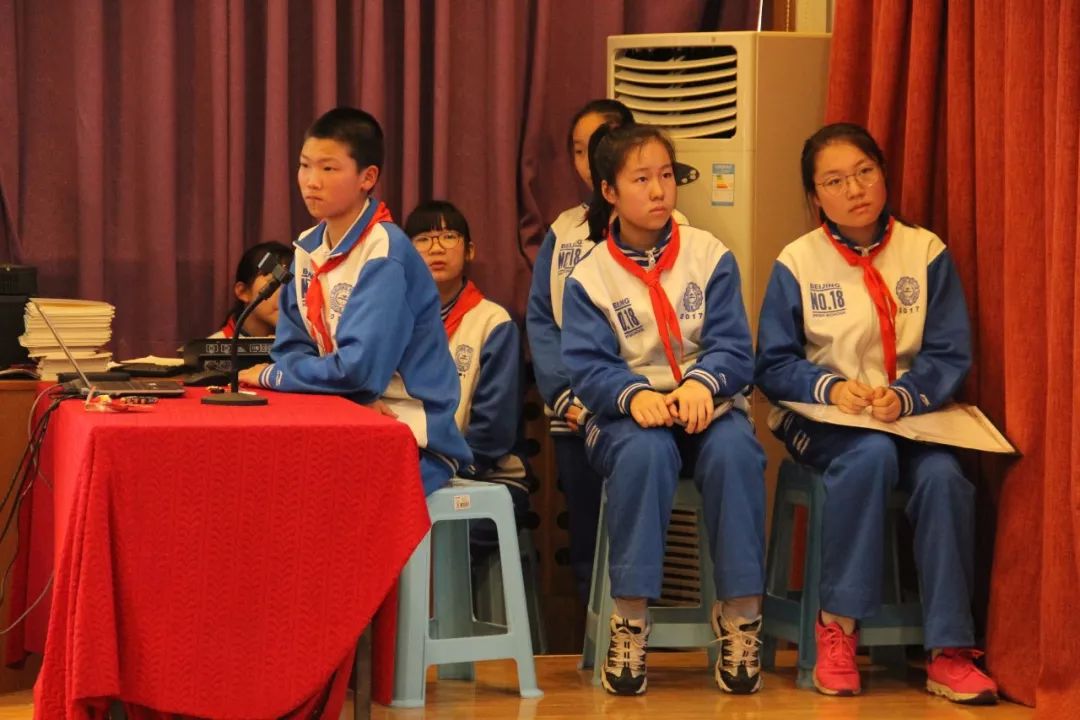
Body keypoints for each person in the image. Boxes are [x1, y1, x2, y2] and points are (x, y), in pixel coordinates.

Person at [754, 122, 998, 704]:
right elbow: (773, 363)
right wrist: (830, 388)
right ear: (816, 197)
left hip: (909, 416)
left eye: (865, 172)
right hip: (825, 420)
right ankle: (837, 628)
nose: (855, 189)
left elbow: (948, 352)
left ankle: (949, 650)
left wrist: (907, 395)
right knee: (869, 457)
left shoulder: (925, 250)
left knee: (944, 478)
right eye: (835, 181)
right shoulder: (798, 261)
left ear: (884, 174)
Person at [561, 123, 766, 697]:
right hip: (629, 418)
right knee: (644, 456)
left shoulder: (709, 254)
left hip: (707, 408)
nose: (658, 191)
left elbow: (733, 347)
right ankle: (630, 620)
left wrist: (703, 383)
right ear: (609, 191)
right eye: (641, 179)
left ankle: (742, 617)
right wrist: (635, 396)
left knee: (737, 452)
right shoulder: (589, 276)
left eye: (667, 176)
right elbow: (587, 368)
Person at [238, 106, 471, 495]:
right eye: (304, 166)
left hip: (409, 430)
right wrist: (342, 402)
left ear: (368, 178)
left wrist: (274, 376)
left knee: (320, 495)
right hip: (343, 412)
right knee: (262, 473)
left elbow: (358, 372)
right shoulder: (306, 249)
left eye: (329, 168)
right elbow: (290, 349)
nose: (311, 181)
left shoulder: (385, 253)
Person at [527, 99, 688, 603]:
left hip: (650, 409)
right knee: (587, 535)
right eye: (580, 150)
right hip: (575, 412)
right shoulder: (563, 230)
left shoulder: (676, 230)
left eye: (602, 143)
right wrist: (566, 398)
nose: (591, 157)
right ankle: (597, 632)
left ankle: (639, 619)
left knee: (638, 526)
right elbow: (543, 320)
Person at [404, 199, 531, 549]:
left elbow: (494, 430)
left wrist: (438, 471)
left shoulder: (493, 322)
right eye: (423, 239)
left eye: (448, 236)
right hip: (412, 477)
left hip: (485, 478)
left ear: (470, 250)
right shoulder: (394, 322)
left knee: (432, 545)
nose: (436, 248)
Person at [210, 241, 294, 338]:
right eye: (275, 282)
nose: (287, 293)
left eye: (292, 285)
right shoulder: (217, 344)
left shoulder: (304, 344)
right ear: (243, 292)